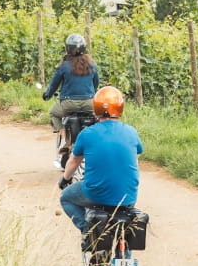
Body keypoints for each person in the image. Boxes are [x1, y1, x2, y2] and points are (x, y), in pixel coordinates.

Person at [58, 86, 143, 246]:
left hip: (95, 193)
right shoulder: (131, 132)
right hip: (128, 196)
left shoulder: (87, 134)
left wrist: (64, 179)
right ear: (120, 108)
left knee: (66, 198)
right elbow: (135, 157)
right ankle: (125, 258)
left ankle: (88, 232)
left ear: (95, 108)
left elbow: (74, 161)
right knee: (124, 230)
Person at [42, 33, 100, 168]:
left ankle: (65, 141)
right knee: (96, 120)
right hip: (89, 103)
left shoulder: (64, 66)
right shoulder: (92, 65)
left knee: (53, 113)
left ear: (68, 48)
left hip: (68, 104)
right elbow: (95, 84)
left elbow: (53, 85)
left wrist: (47, 95)